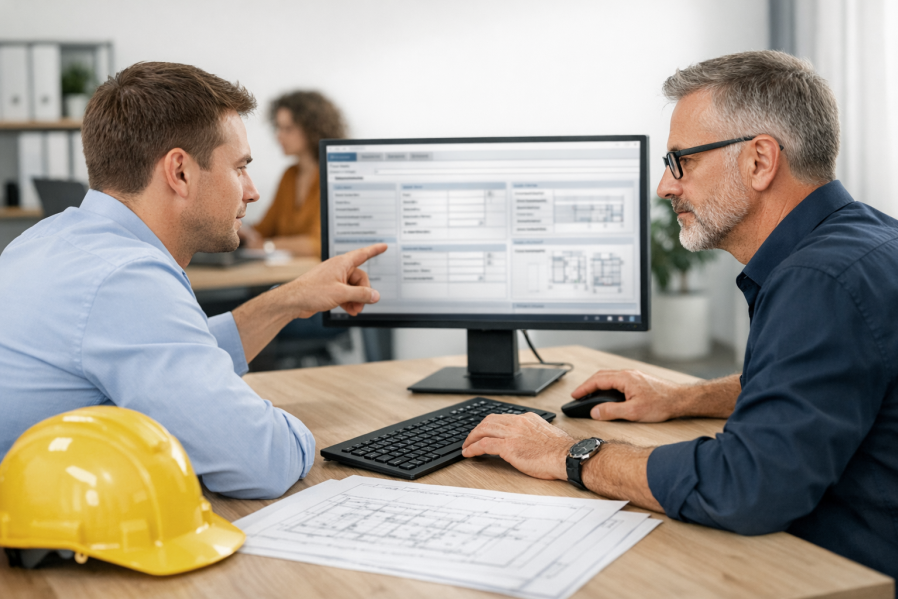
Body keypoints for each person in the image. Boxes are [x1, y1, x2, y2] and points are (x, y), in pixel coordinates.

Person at [462, 50, 898, 582]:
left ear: (759, 160)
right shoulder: (871, 239)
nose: (666, 186)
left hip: (847, 574)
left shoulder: (818, 281)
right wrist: (683, 397)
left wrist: (569, 454)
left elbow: (747, 486)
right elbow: (826, 380)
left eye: (680, 161)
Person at [0, 62, 386, 499]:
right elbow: (261, 462)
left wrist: (288, 299)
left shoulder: (43, 240)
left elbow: (165, 350)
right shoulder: (128, 279)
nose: (251, 190)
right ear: (180, 172)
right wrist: (308, 433)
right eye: (239, 167)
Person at [239, 91, 345, 258]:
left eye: (288, 129)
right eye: (278, 127)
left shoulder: (336, 175)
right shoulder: (290, 175)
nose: (279, 136)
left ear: (312, 129)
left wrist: (266, 245)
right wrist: (237, 230)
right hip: (288, 273)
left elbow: (319, 244)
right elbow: (264, 229)